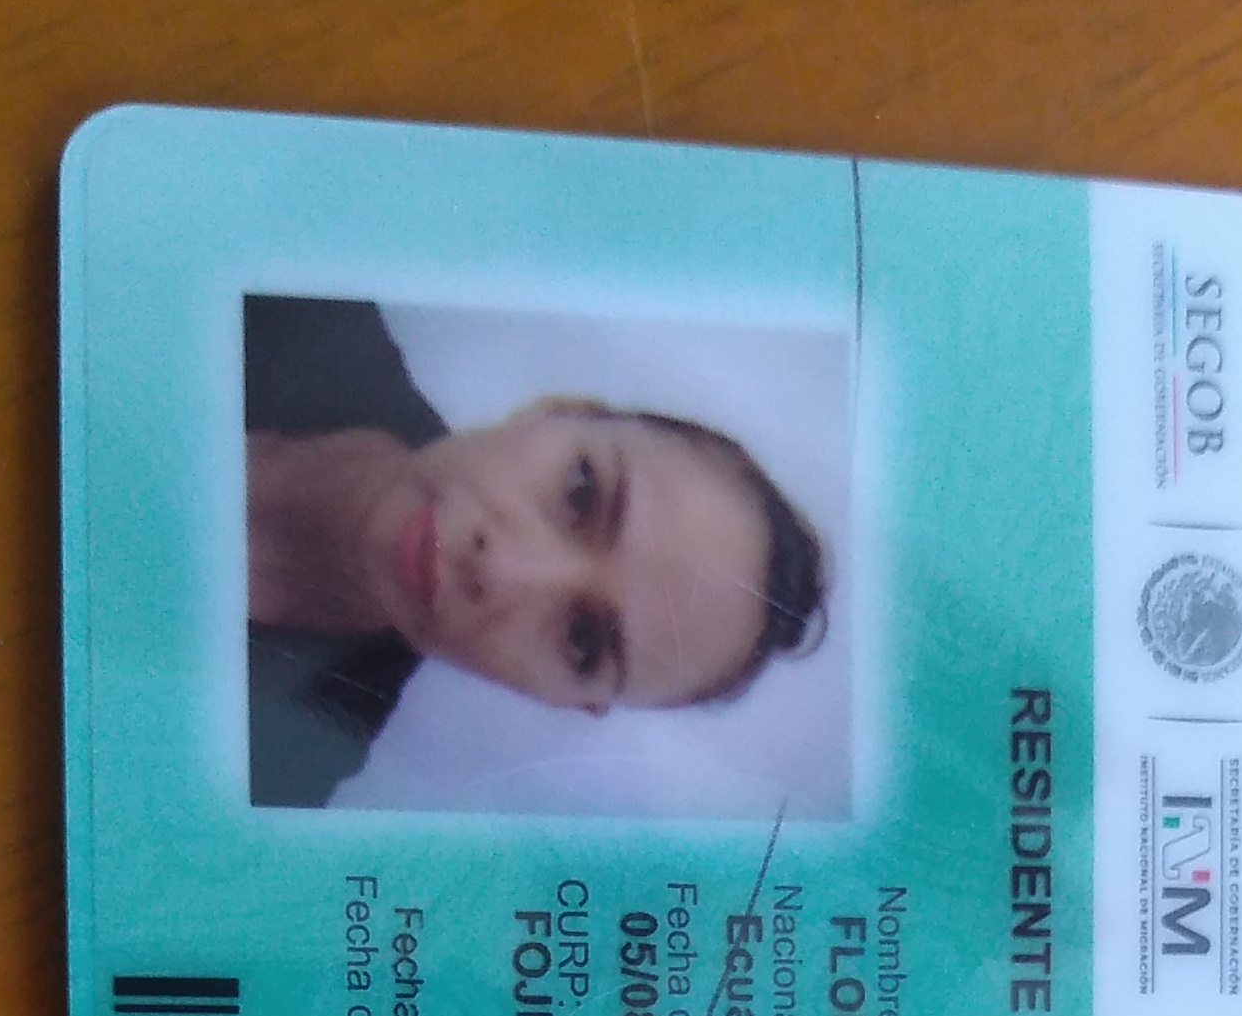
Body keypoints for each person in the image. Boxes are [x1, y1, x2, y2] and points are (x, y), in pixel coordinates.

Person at [245, 295, 829, 807]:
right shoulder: (270, 280)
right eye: (581, 492)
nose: (501, 570)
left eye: (583, 641)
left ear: (562, 700)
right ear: (555, 409)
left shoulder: (262, 781)